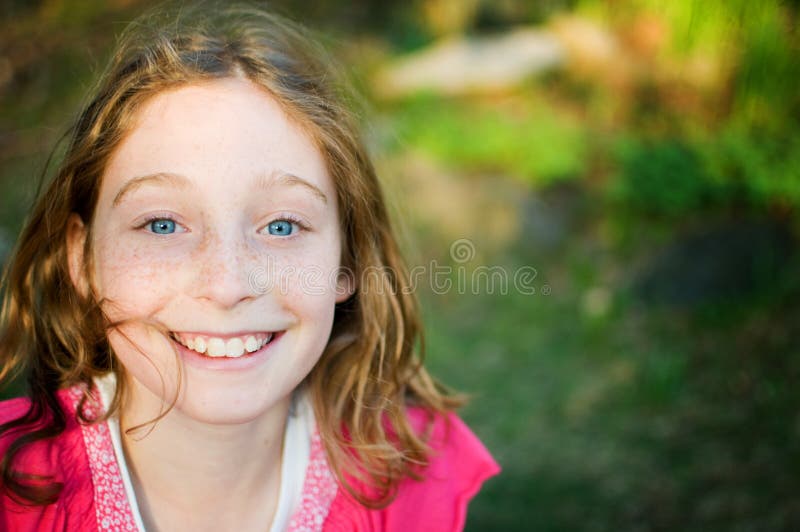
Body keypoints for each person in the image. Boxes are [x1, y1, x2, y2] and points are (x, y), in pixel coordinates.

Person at [0, 1, 500, 530]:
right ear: (83, 259)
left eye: (282, 226)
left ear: (345, 264)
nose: (227, 285)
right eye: (163, 225)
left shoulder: (411, 472)